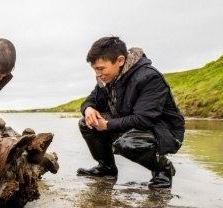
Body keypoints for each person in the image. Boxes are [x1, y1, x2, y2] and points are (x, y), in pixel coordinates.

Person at [76, 36, 185, 189]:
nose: (98, 74)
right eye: (95, 69)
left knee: (128, 144)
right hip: (132, 124)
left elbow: (143, 119)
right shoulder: (106, 79)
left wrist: (107, 125)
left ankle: (163, 169)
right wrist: (88, 109)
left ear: (120, 60)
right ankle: (107, 168)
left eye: (101, 68)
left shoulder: (149, 77)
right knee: (86, 123)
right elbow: (91, 100)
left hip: (163, 131)